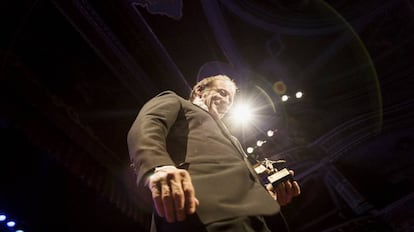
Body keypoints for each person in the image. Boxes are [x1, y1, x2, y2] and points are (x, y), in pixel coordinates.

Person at [127, 74, 301, 231]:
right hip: (201, 214)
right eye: (223, 93)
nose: (227, 102)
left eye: (231, 100)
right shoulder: (176, 102)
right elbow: (148, 123)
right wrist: (159, 167)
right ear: (199, 90)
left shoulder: (234, 140)